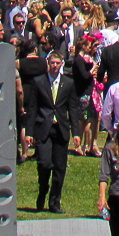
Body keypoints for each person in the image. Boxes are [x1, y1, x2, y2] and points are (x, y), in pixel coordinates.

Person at [27, 50, 78, 213]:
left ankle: (55, 201)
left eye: (58, 63)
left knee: (59, 168)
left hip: (61, 129)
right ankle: (43, 189)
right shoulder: (39, 82)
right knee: (44, 163)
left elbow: (73, 109)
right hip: (43, 128)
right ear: (48, 64)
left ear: (61, 64)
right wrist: (29, 132)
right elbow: (32, 107)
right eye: (52, 63)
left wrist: (76, 133)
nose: (55, 66)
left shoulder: (68, 83)